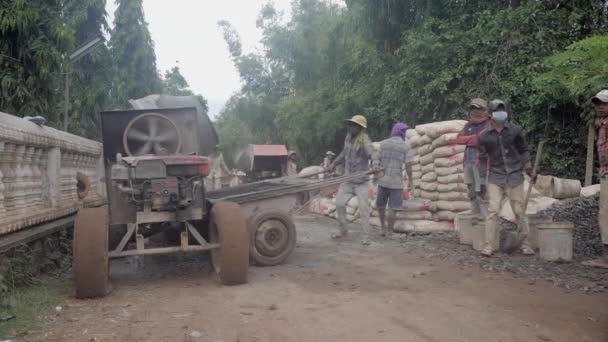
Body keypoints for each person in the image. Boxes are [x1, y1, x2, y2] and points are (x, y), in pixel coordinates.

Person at [478, 100, 535, 256]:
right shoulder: (484, 136)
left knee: (519, 210)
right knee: (493, 210)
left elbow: (523, 150)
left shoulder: (515, 131)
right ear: (490, 114)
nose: (501, 113)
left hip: (515, 175)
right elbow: (482, 159)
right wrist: (482, 180)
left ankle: (525, 243)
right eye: (497, 111)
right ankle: (489, 245)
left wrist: (529, 167)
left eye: (502, 110)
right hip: (495, 177)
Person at [327, 114, 376, 245]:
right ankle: (343, 231)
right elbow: (344, 153)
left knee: (364, 209)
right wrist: (334, 163)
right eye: (350, 124)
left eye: (353, 125)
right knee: (339, 204)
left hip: (361, 181)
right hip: (348, 179)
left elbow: (372, 153)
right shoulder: (348, 138)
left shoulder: (365, 140)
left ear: (360, 128)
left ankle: (366, 237)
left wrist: (375, 164)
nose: (350, 127)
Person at [453, 98, 492, 216]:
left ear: (485, 110)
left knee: (483, 191)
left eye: (479, 108)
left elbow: (485, 140)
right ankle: (475, 217)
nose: (476, 111)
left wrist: (472, 139)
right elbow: (458, 139)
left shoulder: (489, 124)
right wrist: (472, 139)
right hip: (468, 163)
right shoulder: (468, 125)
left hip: (482, 164)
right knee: (472, 192)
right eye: (473, 108)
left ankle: (487, 220)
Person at [583, 90, 608, 268]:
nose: (600, 107)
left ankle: (606, 258)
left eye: (604, 103)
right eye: (598, 104)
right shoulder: (603, 124)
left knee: (605, 215)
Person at [376, 122, 414, 237]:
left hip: (382, 180)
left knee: (381, 205)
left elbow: (376, 160)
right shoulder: (405, 146)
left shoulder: (383, 144)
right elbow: (408, 165)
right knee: (393, 207)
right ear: (402, 133)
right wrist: (411, 180)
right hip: (396, 182)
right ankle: (390, 232)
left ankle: (382, 228)